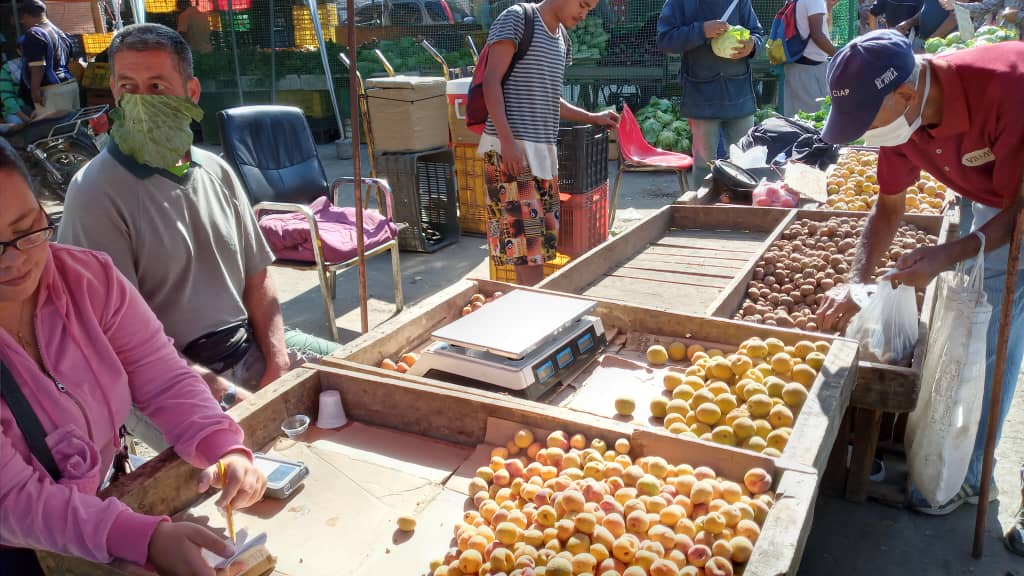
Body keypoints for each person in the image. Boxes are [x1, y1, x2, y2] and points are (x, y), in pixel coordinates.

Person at [58, 24, 337, 451]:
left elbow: (258, 278)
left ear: (190, 92)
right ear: (113, 91)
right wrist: (225, 393)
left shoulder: (216, 170)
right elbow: (120, 339)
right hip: (163, 383)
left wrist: (278, 360)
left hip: (248, 347)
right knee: (246, 469)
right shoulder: (94, 192)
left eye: (157, 86)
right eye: (128, 87)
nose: (141, 101)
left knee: (366, 377)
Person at [0, 138, 267, 576]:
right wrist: (140, 538)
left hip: (101, 503)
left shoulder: (88, 280)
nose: (16, 260)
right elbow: (12, 499)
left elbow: (163, 377)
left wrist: (225, 448)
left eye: (27, 228)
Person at [816, 30, 1023, 554]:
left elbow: (1019, 214)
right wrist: (857, 281)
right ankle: (968, 470)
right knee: (990, 335)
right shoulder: (903, 123)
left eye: (869, 119)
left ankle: (982, 478)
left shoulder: (1008, 90)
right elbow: (888, 209)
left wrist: (945, 257)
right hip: (998, 199)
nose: (866, 134)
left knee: (1007, 332)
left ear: (907, 95)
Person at [479, 0, 618, 286]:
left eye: (589, 9)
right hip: (511, 152)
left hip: (543, 153)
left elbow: (549, 97)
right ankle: (533, 315)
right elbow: (491, 82)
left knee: (536, 249)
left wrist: (593, 117)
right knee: (526, 251)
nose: (583, 14)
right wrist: (507, 141)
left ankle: (528, 311)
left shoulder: (562, 39)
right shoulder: (517, 19)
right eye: (581, 4)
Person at [656, 0, 763, 190]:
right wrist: (701, 30)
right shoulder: (679, 3)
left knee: (745, 162)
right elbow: (665, 39)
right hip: (701, 94)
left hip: (739, 92)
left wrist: (752, 45)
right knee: (703, 165)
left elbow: (757, 33)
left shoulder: (740, 1)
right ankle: (702, 212)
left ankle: (743, 213)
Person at [16, 0, 79, 114]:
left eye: (22, 19)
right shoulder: (58, 31)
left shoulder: (34, 33)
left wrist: (34, 91)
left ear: (25, 16)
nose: (23, 22)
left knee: (54, 129)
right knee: (71, 126)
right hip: (69, 85)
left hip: (52, 91)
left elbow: (38, 65)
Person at [783, 0, 840, 116]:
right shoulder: (814, 1)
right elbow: (817, 35)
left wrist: (829, 6)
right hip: (808, 70)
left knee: (796, 122)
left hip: (799, 67)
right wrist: (841, 56)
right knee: (812, 124)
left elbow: (824, 31)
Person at [0, 34, 31, 130]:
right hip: (19, 111)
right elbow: (7, 98)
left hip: (39, 108)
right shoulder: (8, 68)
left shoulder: (44, 65)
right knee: (18, 125)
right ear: (18, 51)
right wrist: (26, 119)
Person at [893, 0, 957, 46]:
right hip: (923, 39)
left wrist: (930, 41)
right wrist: (909, 23)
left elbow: (956, 15)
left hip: (942, 45)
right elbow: (927, 8)